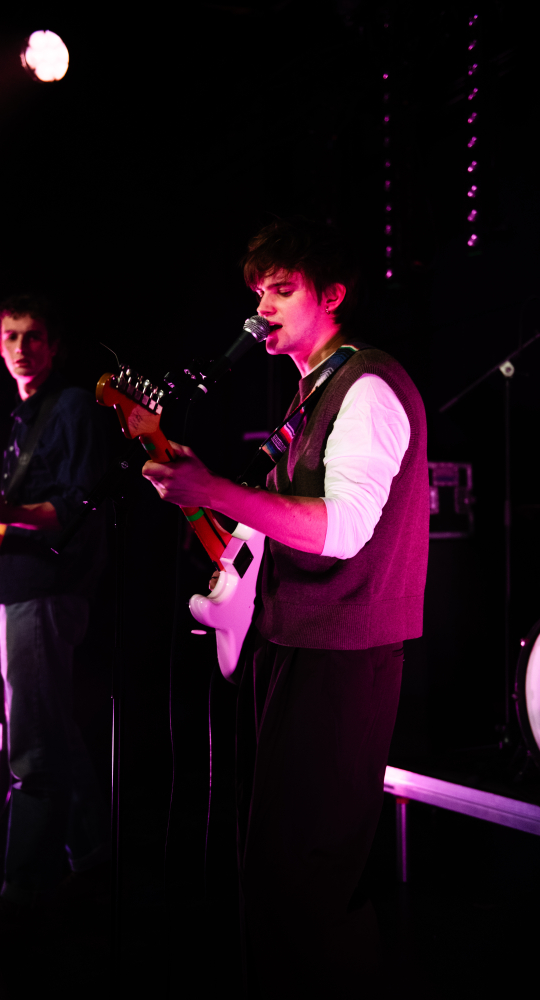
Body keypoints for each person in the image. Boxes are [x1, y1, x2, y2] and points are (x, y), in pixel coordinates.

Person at [142, 219, 428, 996]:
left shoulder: (365, 387)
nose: (261, 307)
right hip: (298, 642)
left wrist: (211, 491)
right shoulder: (313, 393)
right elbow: (278, 524)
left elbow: (341, 531)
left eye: (281, 290)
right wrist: (209, 491)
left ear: (331, 296)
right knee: (276, 874)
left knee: (302, 880)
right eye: (256, 292)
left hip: (342, 655)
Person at [0, 293, 111, 930]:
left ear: (53, 345)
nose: (22, 347)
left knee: (33, 751)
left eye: (34, 336)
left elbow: (78, 508)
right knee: (55, 735)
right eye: (12, 337)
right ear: (0, 346)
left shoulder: (69, 406)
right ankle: (93, 863)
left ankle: (20, 894)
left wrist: (3, 514)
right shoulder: (20, 421)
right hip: (22, 588)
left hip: (48, 591)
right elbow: (19, 513)